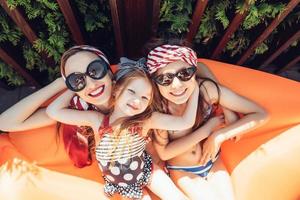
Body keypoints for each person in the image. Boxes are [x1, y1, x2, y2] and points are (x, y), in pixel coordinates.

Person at [46, 58, 195, 199]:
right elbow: (53, 111)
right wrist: (79, 85)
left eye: (145, 98)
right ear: (116, 89)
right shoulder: (97, 120)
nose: (137, 100)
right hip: (121, 184)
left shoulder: (146, 120)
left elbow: (186, 122)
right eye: (131, 92)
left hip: (147, 171)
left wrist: (194, 86)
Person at [146, 43, 269, 200]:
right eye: (165, 79)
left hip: (213, 162)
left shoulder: (206, 90)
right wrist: (207, 130)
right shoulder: (158, 109)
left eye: (184, 73)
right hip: (183, 170)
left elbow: (261, 114)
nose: (177, 85)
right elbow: (164, 153)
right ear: (155, 82)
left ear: (194, 73)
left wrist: (219, 135)